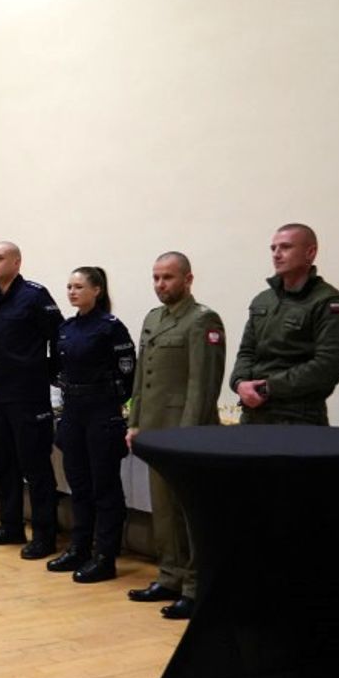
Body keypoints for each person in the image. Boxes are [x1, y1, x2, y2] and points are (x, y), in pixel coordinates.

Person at [125, 251, 227, 620]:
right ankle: (170, 576)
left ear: (188, 279)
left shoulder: (202, 320)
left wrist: (188, 436)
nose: (160, 284)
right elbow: (142, 377)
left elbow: (203, 384)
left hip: (185, 433)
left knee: (189, 513)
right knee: (164, 511)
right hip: (155, 431)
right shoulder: (153, 318)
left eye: (168, 277)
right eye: (156, 277)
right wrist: (135, 421)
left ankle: (195, 587)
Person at [47, 267, 135, 583]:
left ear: (96, 290)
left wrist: (111, 403)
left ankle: (105, 556)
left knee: (104, 487)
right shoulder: (66, 328)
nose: (72, 292)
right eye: (69, 286)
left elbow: (128, 372)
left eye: (79, 286)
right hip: (74, 411)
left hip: (101, 412)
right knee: (78, 485)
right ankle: (79, 547)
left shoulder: (110, 327)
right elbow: (58, 369)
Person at [0, 241, 63, 557]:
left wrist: (45, 372)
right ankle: (11, 525)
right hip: (0, 395)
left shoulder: (34, 295)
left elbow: (60, 337)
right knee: (4, 464)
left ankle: (44, 534)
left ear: (16, 262)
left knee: (36, 466)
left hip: (29, 396)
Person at [231, 223, 339, 425]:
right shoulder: (263, 300)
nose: (276, 254)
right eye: (273, 248)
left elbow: (328, 366)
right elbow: (247, 351)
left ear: (310, 253)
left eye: (286, 247)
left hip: (299, 417)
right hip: (253, 414)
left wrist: (269, 387)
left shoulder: (329, 303)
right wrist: (239, 383)